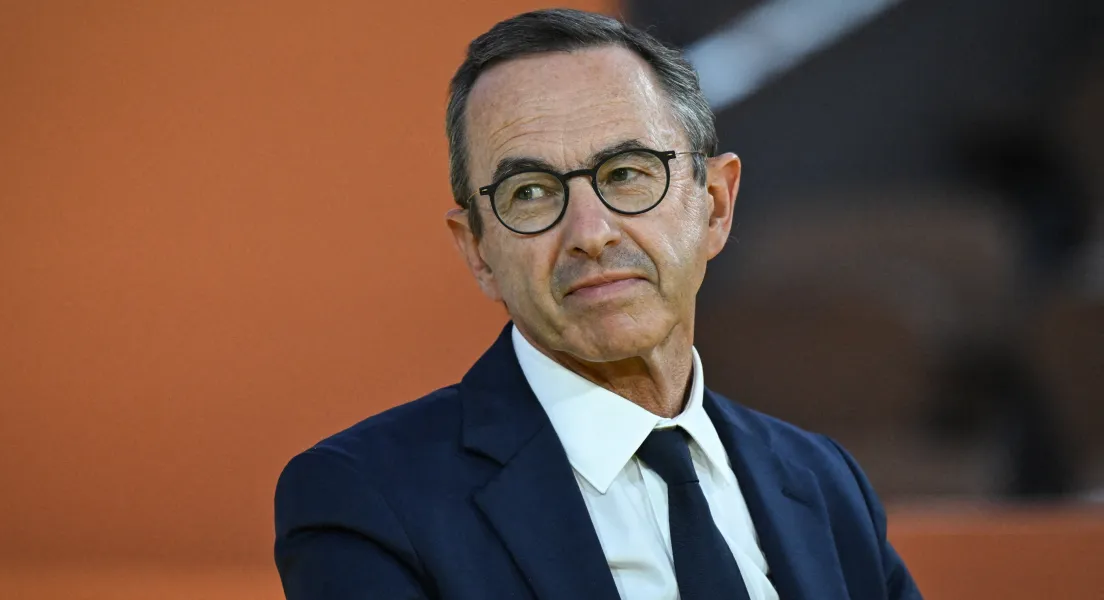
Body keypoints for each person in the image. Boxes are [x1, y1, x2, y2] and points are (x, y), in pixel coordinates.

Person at [274, 9, 921, 600]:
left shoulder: (824, 482)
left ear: (716, 206)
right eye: (530, 192)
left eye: (627, 173)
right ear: (478, 250)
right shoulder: (367, 500)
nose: (590, 233)